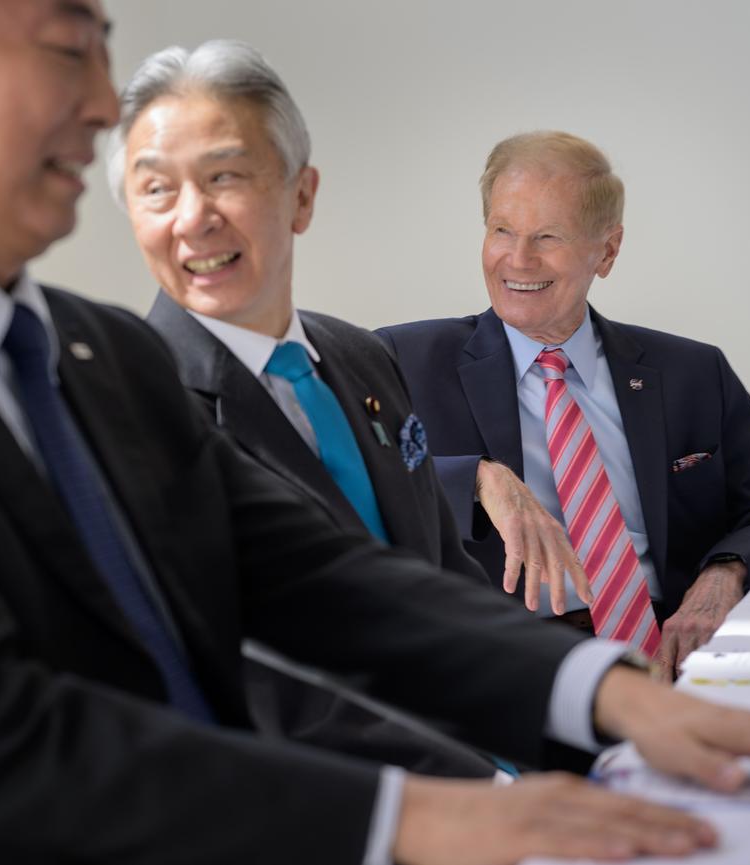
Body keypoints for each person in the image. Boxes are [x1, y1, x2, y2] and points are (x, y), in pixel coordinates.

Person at [0, 5, 750, 865]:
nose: (104, 104)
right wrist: (427, 817)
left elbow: (325, 581)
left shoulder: (89, 350)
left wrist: (607, 696)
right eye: (68, 44)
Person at [112, 40, 576, 776]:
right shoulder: (131, 405)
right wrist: (486, 790)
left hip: (488, 759)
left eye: (224, 177)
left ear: (302, 195)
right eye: (157, 190)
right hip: (343, 798)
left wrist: (578, 712)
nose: (193, 218)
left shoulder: (361, 356)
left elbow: (444, 575)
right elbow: (262, 683)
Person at [378, 131, 750, 676]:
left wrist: (722, 574)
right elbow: (340, 486)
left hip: (671, 660)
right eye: (502, 230)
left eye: (547, 236)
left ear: (608, 251)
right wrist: (477, 479)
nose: (518, 259)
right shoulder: (401, 360)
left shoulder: (690, 373)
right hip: (497, 672)